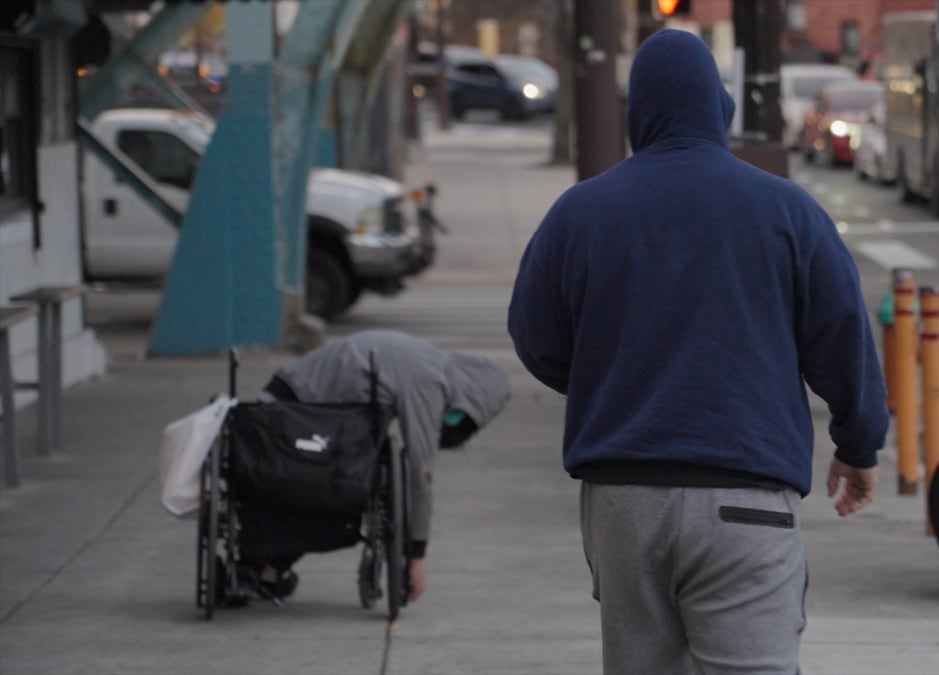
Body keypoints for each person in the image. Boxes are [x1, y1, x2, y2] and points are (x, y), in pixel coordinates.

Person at [507, 29, 888, 674]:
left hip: (623, 499)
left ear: (638, 113)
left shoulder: (579, 213)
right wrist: (858, 444)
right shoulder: (787, 211)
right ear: (720, 106)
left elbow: (535, 337)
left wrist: (613, 380)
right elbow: (842, 335)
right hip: (746, 495)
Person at [246, 329, 511, 601]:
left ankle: (263, 563)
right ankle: (267, 565)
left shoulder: (426, 359)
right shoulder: (429, 381)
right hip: (294, 416)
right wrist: (416, 556)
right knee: (345, 492)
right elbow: (421, 472)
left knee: (341, 481)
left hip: (283, 403)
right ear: (469, 404)